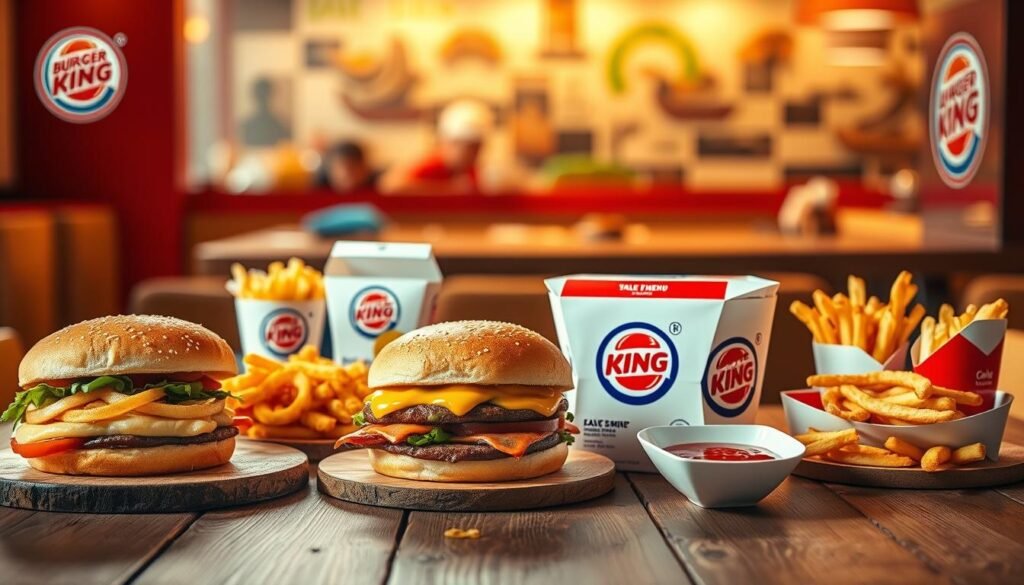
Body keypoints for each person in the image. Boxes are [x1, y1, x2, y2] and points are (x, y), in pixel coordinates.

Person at [380, 99, 494, 195]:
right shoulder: (434, 162)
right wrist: (449, 189)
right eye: (470, 147)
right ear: (449, 143)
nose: (474, 154)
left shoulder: (468, 170)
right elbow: (389, 185)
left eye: (477, 147)